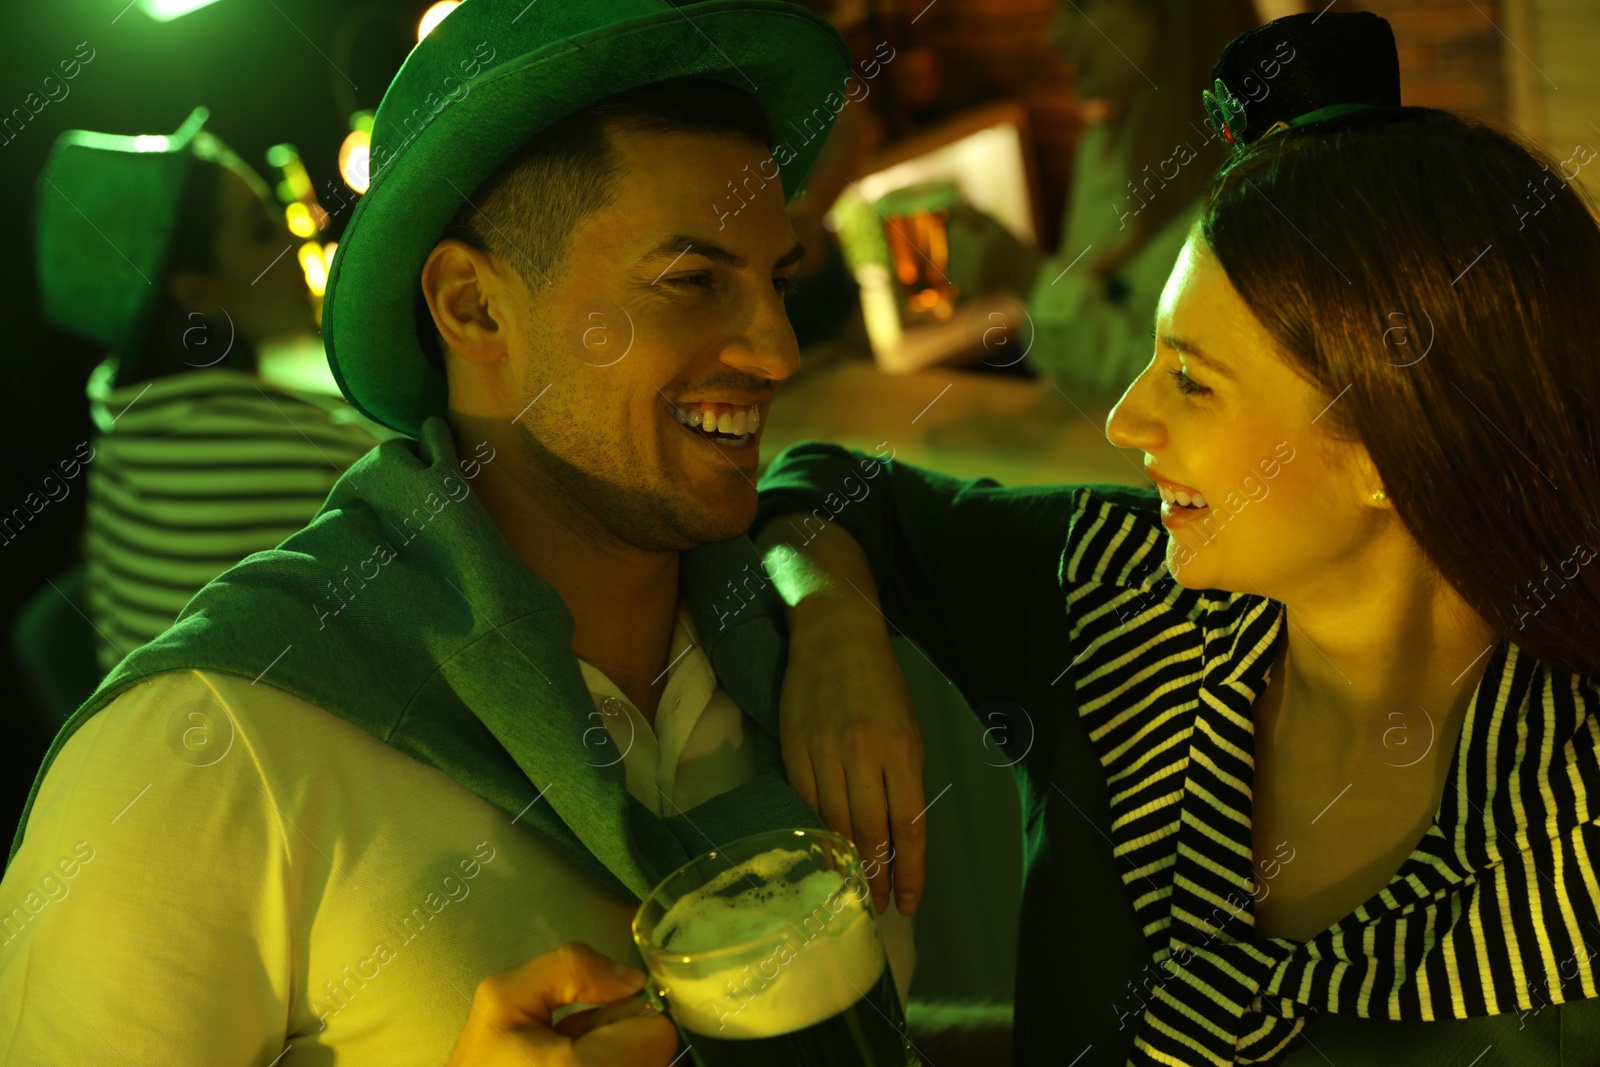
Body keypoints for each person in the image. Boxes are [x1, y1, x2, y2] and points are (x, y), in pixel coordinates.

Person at [0, 2, 916, 1063]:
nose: (773, 351)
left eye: (776, 283)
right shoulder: (208, 752)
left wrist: (829, 588)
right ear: (472, 306)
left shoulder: (796, 646)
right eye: (691, 282)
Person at [756, 10, 1600, 1066]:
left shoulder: (1563, 861)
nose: (1124, 421)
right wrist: (831, 621)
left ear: (1389, 450)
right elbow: (833, 488)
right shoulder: (1121, 603)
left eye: (1191, 380)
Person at [32, 107, 384, 675]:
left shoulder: (121, 433)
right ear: (195, 292)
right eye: (261, 230)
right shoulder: (314, 459)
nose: (296, 240)